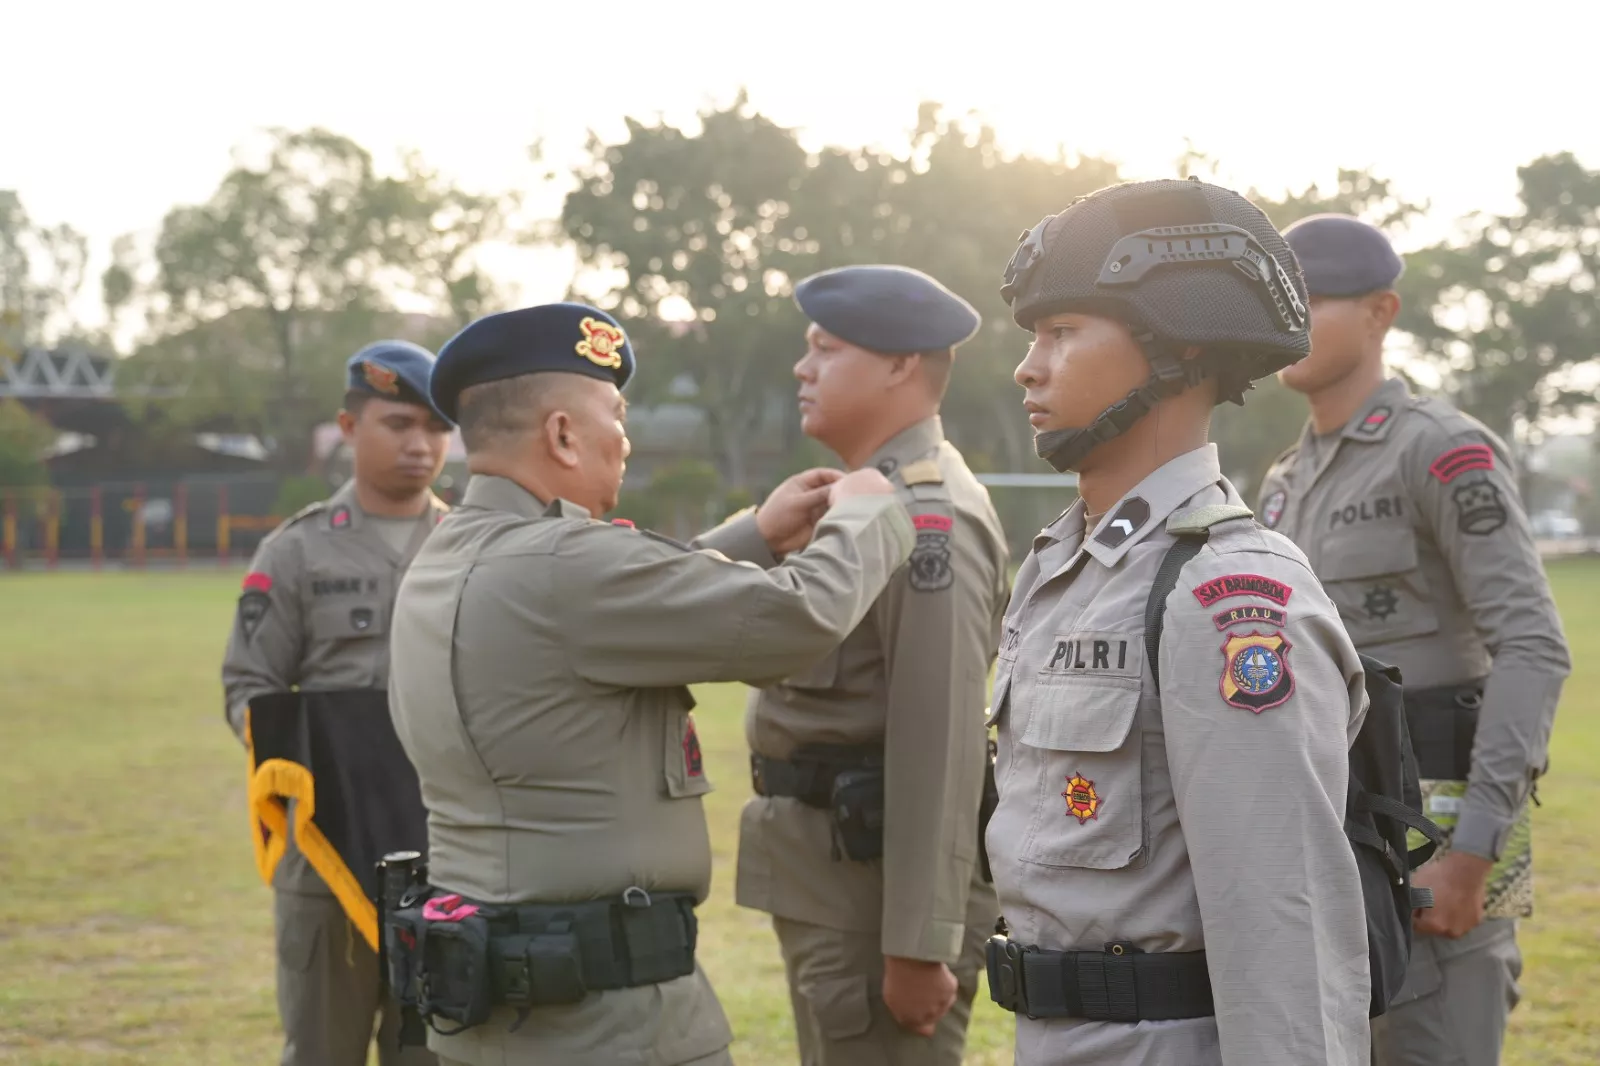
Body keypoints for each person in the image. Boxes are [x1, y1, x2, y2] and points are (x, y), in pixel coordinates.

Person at [385, 302, 919, 1066]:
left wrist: (756, 536)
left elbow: (602, 608)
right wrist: (868, 515)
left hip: (496, 1009)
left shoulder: (447, 554)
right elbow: (794, 617)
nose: (626, 438)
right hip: (611, 1022)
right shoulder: (565, 565)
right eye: (616, 414)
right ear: (562, 434)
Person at [983, 178, 1373, 1065]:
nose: (1028, 367)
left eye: (1062, 331)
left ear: (1179, 345)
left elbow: (1284, 931)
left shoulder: (1225, 596)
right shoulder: (1061, 569)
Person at [1258, 214, 1571, 1066]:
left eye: (1314, 299)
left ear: (1381, 312)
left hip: (1439, 832)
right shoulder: (1284, 482)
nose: (1291, 319)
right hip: (1333, 832)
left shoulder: (1440, 450)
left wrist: (1476, 852)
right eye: (1280, 301)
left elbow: (1533, 647)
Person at [736, 265, 1010, 1065]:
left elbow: (942, 736)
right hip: (834, 885)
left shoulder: (925, 514)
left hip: (874, 903)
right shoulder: (862, 499)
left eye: (826, 348)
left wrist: (919, 944)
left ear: (899, 365)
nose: (803, 368)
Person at [222, 340, 453, 1066]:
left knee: (436, 1053)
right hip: (326, 845)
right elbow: (248, 687)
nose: (421, 445)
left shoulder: (469, 545)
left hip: (449, 847)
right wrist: (323, 759)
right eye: (399, 424)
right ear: (349, 428)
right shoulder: (296, 551)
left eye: (436, 428)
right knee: (323, 1050)